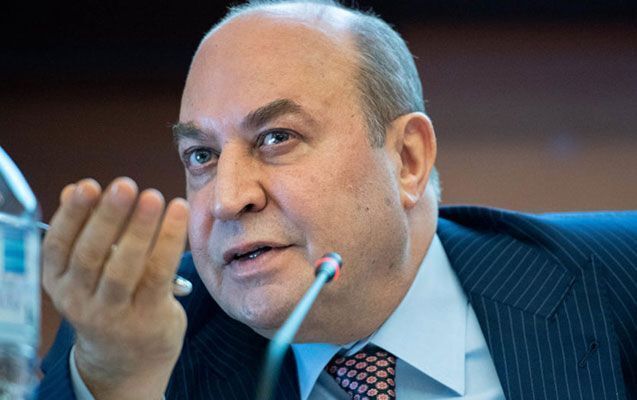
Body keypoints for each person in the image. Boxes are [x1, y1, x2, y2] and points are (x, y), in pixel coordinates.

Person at [37, 0, 637, 399]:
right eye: (202, 156)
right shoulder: (138, 341)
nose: (227, 199)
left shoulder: (615, 279)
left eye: (277, 138)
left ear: (407, 159)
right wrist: (116, 383)